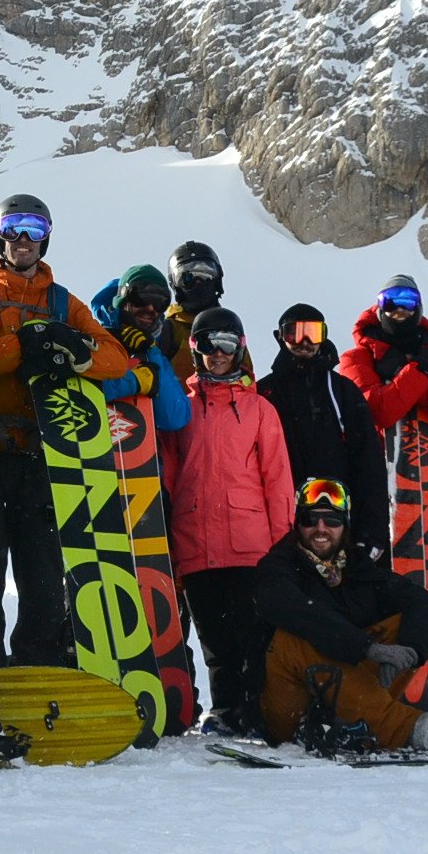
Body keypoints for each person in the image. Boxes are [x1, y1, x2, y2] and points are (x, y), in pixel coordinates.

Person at [0, 194, 131, 665]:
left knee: (46, 578)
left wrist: (75, 349)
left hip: (41, 457)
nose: (22, 239)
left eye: (32, 227)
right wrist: (22, 345)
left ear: (46, 235)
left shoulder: (62, 302)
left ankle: (42, 665)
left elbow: (115, 360)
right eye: (12, 228)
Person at [254, 479, 428, 752]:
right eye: (311, 520)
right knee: (295, 637)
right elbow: (289, 607)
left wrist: (411, 649)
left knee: (406, 620)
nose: (321, 529)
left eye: (331, 520)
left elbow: (421, 603)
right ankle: (405, 728)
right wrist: (367, 648)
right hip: (289, 712)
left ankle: (359, 722)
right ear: (298, 524)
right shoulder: (278, 566)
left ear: (344, 525)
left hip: (346, 699)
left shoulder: (357, 567)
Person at [163, 307, 294, 735]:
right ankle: (223, 712)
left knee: (253, 638)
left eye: (226, 344)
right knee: (214, 641)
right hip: (196, 541)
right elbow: (168, 474)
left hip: (250, 544)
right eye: (206, 345)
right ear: (195, 350)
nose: (217, 354)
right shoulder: (181, 411)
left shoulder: (260, 410)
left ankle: (254, 711)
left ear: (240, 350)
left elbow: (277, 481)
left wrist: (283, 549)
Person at [256, 304, 390, 567]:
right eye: (295, 333)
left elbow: (369, 465)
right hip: (286, 524)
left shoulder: (342, 391)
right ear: (281, 337)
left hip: (337, 522)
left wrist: (372, 532)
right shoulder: (265, 394)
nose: (304, 342)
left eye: (313, 334)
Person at [336, 275, 428, 441]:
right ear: (380, 310)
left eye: (408, 301)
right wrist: (419, 373)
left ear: (418, 309)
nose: (399, 309)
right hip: (375, 464)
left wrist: (409, 376)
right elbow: (376, 414)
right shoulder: (356, 359)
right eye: (389, 302)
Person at [89, 266, 191, 435]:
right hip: (91, 446)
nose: (151, 309)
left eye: (160, 303)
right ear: (124, 299)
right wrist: (134, 381)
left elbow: (174, 418)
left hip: (138, 454)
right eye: (142, 299)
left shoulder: (153, 354)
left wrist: (150, 352)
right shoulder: (96, 340)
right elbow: (79, 393)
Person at [165, 240, 249, 380]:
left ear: (217, 280)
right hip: (182, 401)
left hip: (229, 401)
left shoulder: (228, 326)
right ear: (176, 285)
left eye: (206, 275)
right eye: (187, 278)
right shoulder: (170, 330)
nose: (198, 283)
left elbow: (247, 377)